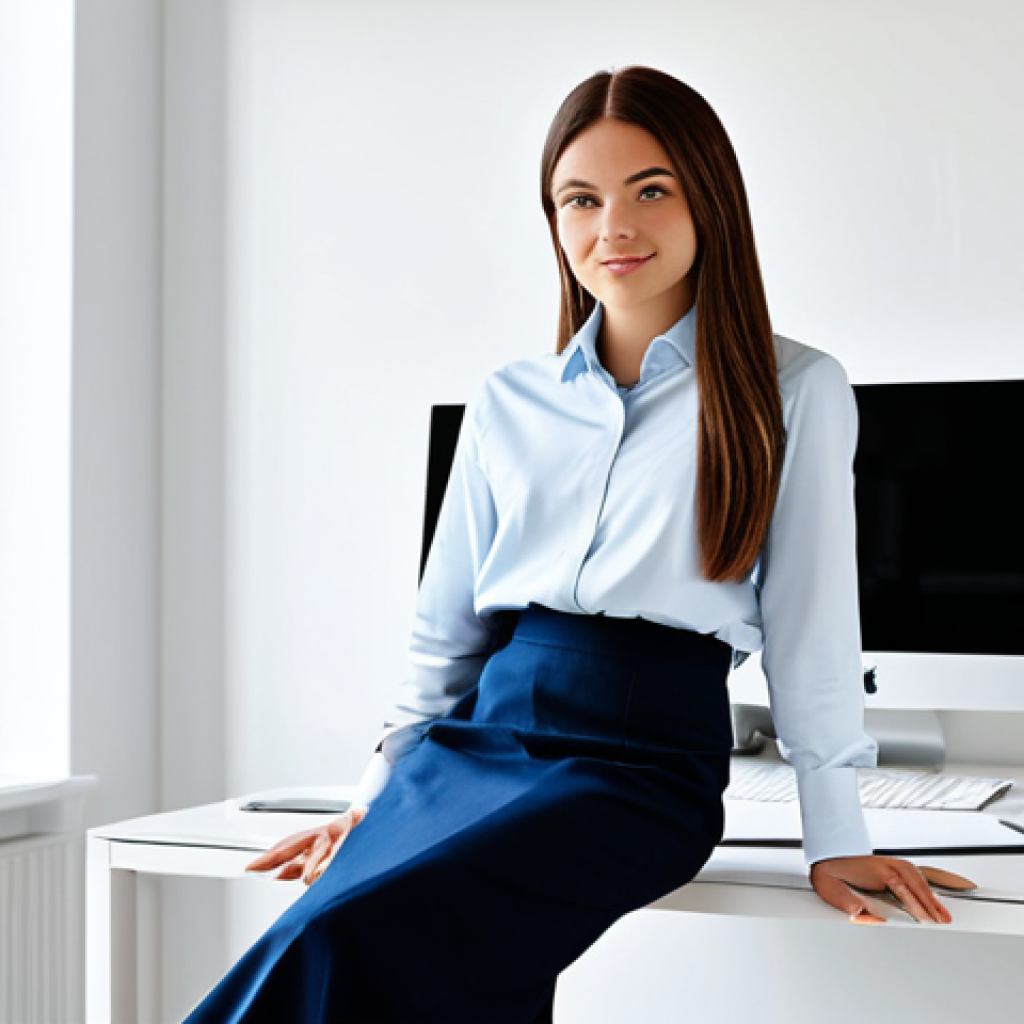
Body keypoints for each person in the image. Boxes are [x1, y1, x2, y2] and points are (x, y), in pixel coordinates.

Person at [184, 65, 967, 1024]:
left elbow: (813, 629)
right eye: (580, 199)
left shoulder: (794, 388)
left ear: (708, 197)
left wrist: (830, 836)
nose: (614, 229)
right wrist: (376, 800)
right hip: (474, 743)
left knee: (347, 939)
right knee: (365, 940)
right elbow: (446, 639)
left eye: (650, 190)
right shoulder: (508, 402)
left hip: (639, 767)